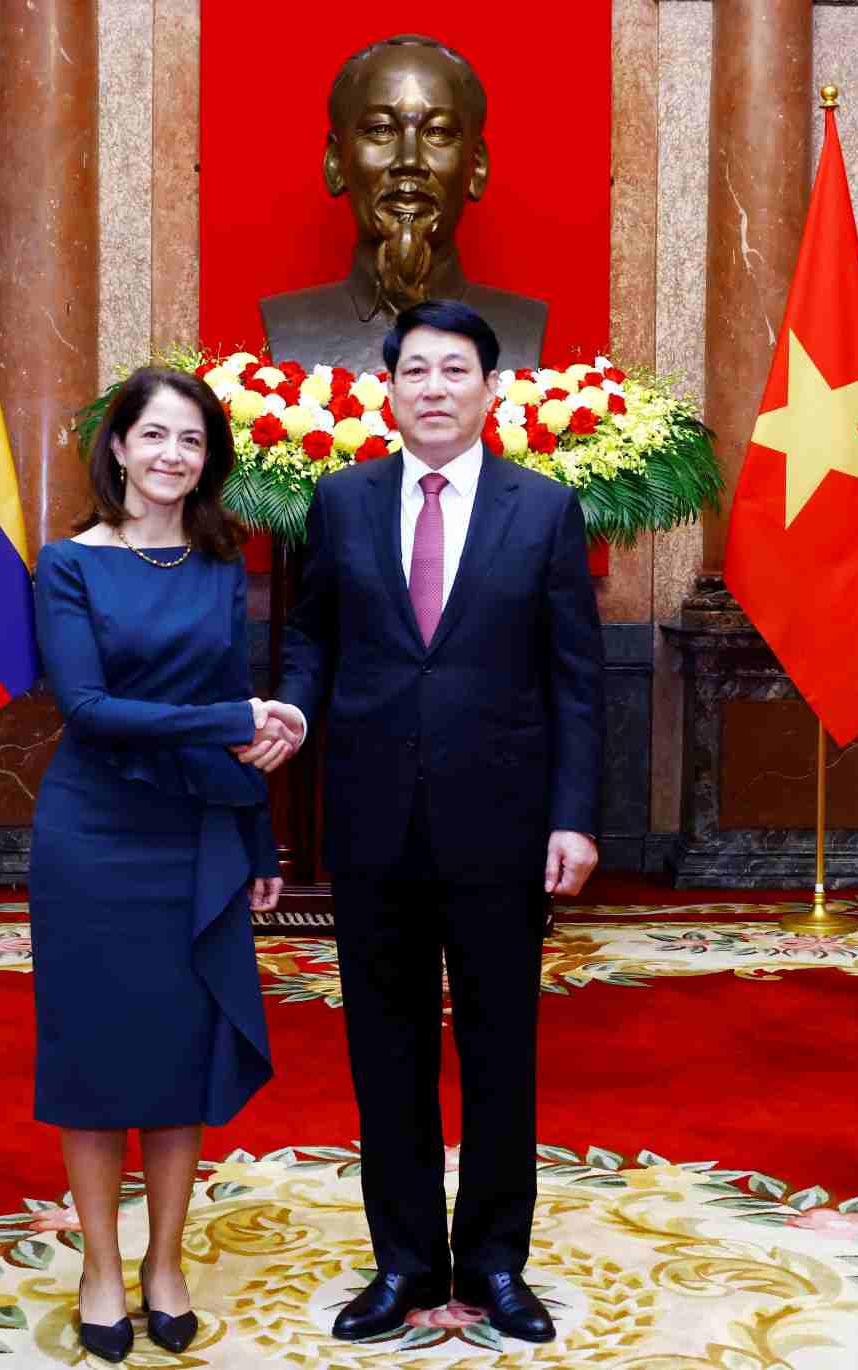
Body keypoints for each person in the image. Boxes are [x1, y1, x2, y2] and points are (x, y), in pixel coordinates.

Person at [278, 300, 603, 1344]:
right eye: (412, 369)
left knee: (502, 1048)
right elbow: (311, 644)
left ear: (491, 387)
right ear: (387, 387)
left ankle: (495, 1261)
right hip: (372, 819)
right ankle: (404, 1261)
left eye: (452, 369)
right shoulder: (338, 500)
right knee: (386, 1047)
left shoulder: (543, 508)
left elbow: (576, 682)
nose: (431, 387)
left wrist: (573, 815)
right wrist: (285, 710)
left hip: (502, 824)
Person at [29, 367, 302, 1362]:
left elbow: (233, 697)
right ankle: (101, 1264)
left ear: (206, 460)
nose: (170, 456)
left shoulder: (220, 564)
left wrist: (258, 836)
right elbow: (91, 712)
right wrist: (231, 721)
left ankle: (165, 1259)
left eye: (190, 441)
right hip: (94, 836)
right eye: (153, 435)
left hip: (196, 832)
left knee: (182, 1059)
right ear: (116, 447)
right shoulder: (66, 564)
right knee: (97, 1056)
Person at [258, 33, 548, 372]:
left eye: (437, 132)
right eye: (381, 130)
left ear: (477, 166)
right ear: (336, 162)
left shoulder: (522, 325)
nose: (409, 160)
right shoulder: (290, 327)